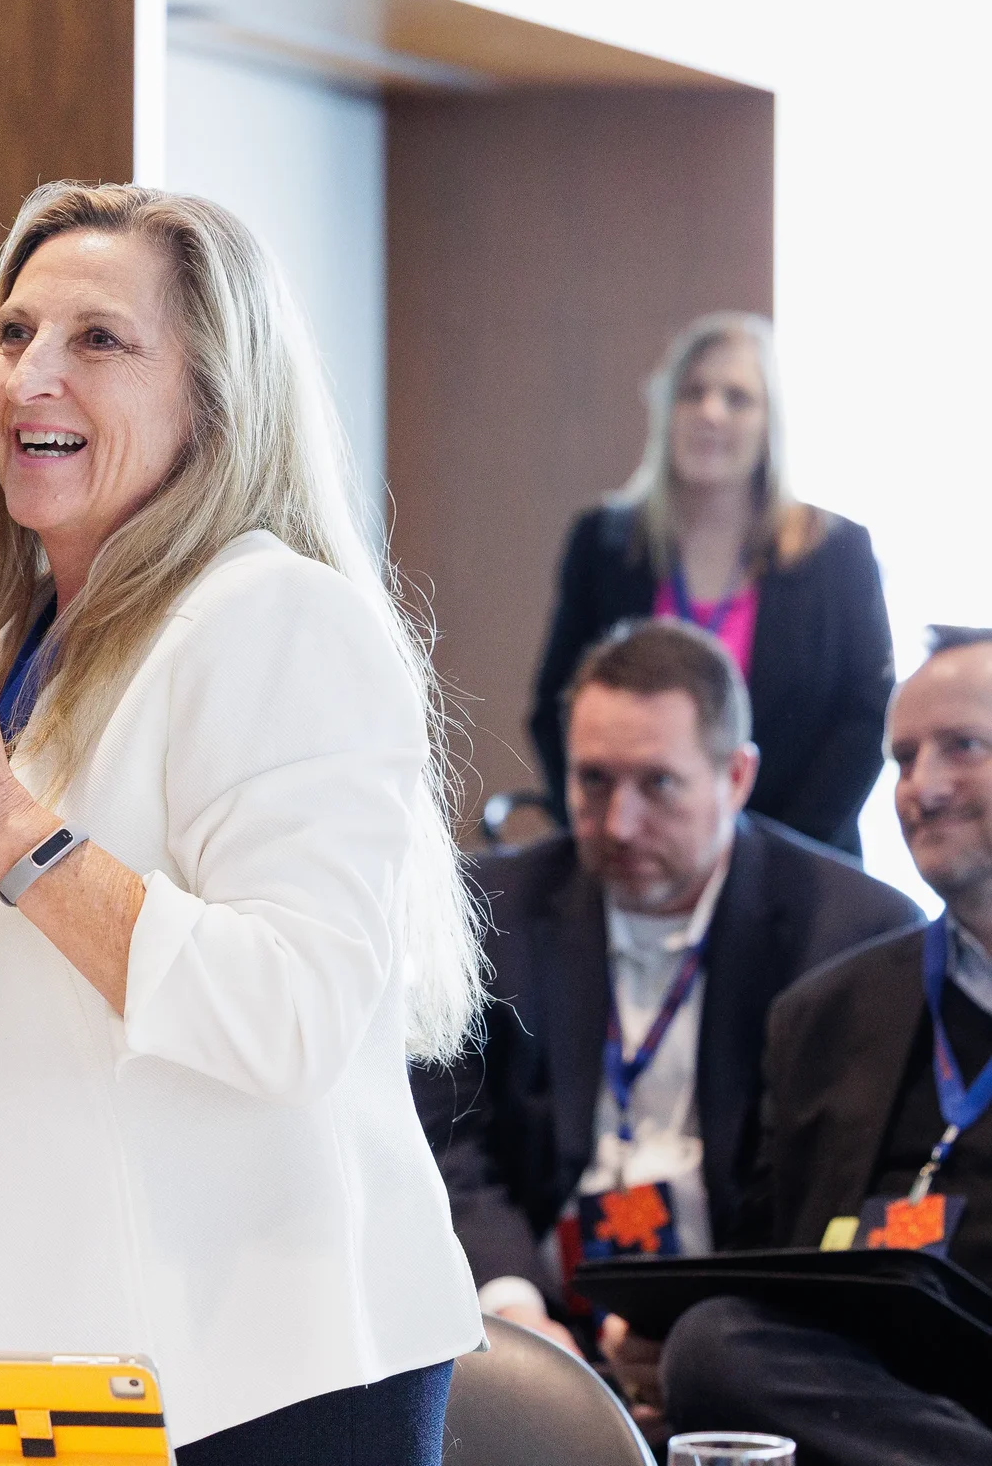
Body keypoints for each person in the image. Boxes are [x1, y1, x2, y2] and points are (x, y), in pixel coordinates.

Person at [0, 184, 486, 1460]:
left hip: (260, 1373)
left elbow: (288, 1015)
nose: (22, 380)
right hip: (64, 1357)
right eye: (13, 335)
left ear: (216, 400)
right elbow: (82, 965)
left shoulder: (277, 618)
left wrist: (4, 818)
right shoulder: (27, 642)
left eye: (98, 341)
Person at [417, 618, 916, 1413]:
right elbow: (445, 1135)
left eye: (657, 784)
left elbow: (833, 1187)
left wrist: (695, 1332)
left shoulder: (855, 933)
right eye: (592, 781)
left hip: (733, 1326)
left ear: (738, 776)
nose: (617, 823)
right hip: (529, 1309)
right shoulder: (488, 909)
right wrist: (512, 1304)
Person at [660, 625, 992, 1463]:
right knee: (714, 1342)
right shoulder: (826, 1013)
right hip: (874, 1388)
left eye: (963, 747)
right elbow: (762, 1261)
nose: (924, 786)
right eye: (903, 757)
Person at [529, 312, 892, 856]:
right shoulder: (603, 543)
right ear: (665, 411)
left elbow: (867, 716)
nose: (711, 413)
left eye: (737, 398)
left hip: (800, 865)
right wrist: (605, 827)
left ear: (771, 421)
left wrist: (768, 853)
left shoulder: (836, 551)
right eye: (692, 393)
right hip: (634, 858)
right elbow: (556, 706)